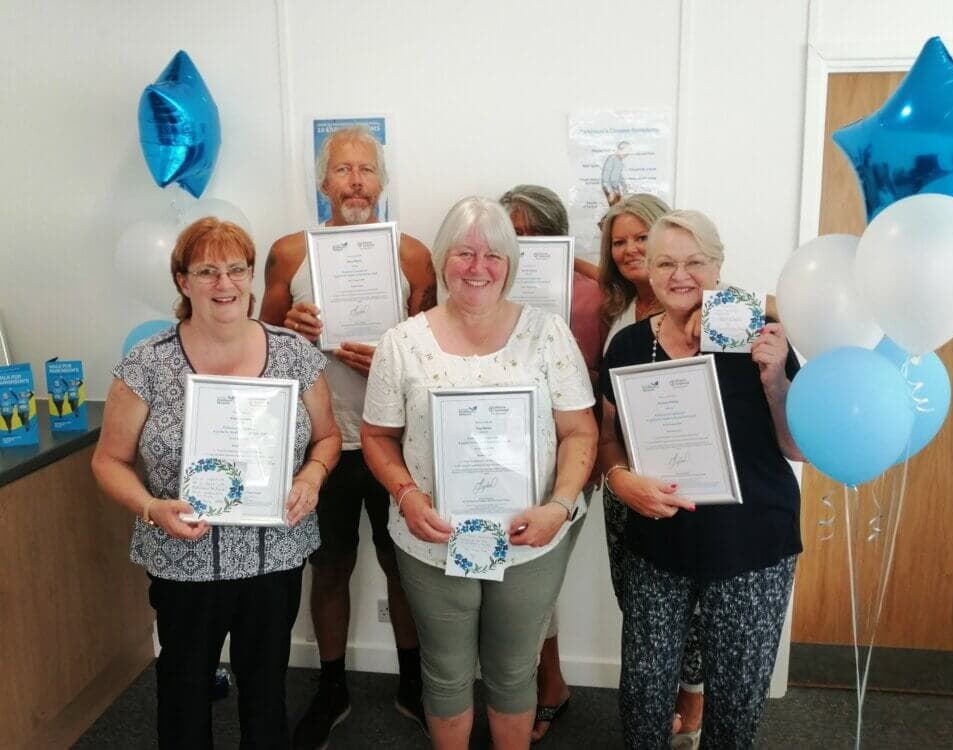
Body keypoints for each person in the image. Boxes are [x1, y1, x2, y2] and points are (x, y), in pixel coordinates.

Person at [91, 218, 342, 748]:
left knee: (266, 693)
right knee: (182, 696)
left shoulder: (294, 354)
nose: (223, 284)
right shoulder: (148, 364)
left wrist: (313, 477)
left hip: (273, 553)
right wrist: (151, 507)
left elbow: (328, 438)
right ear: (182, 281)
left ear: (251, 276)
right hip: (183, 557)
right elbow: (108, 461)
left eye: (235, 269)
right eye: (206, 271)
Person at [360, 196, 598, 749]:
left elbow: (580, 432)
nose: (477, 267)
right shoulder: (403, 343)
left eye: (492, 255)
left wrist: (559, 507)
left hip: (531, 537)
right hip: (432, 537)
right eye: (464, 253)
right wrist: (406, 495)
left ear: (510, 264)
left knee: (514, 671)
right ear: (443, 260)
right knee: (444, 672)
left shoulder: (547, 333)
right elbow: (376, 438)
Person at [599, 209, 804, 749]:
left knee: (736, 702)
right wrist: (619, 479)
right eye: (666, 262)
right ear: (649, 268)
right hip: (658, 540)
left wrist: (775, 378)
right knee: (643, 693)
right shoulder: (626, 347)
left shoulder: (761, 338)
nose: (680, 274)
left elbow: (795, 447)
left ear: (718, 265)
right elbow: (606, 439)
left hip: (752, 544)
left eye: (695, 261)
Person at [260, 124, 437, 746]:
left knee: (405, 567)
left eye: (366, 169)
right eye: (343, 170)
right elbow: (261, 340)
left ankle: (412, 682)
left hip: (395, 441)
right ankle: (332, 685)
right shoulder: (290, 251)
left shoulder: (412, 253)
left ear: (382, 183)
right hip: (323, 442)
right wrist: (288, 326)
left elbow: (435, 347)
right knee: (329, 568)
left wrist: (393, 356)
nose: (355, 180)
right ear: (323, 182)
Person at [498, 184, 606, 742]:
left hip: (568, 457)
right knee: (525, 582)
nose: (524, 245)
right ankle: (548, 683)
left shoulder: (592, 293)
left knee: (542, 583)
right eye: (512, 234)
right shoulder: (484, 285)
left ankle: (544, 687)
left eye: (536, 234)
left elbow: (611, 375)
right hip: (502, 459)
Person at [599, 194, 705, 745]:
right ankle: (660, 699)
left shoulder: (712, 310)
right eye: (619, 241)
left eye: (643, 237)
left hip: (694, 477)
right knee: (638, 598)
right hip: (626, 479)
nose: (631, 249)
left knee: (696, 595)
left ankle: (692, 694)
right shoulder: (611, 315)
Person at [601, 141, 630, 206]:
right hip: (608, 187)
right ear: (620, 150)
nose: (626, 155)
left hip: (615, 187)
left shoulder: (620, 162)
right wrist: (610, 191)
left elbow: (619, 175)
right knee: (615, 207)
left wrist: (625, 186)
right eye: (625, 153)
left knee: (620, 205)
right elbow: (605, 178)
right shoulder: (611, 159)